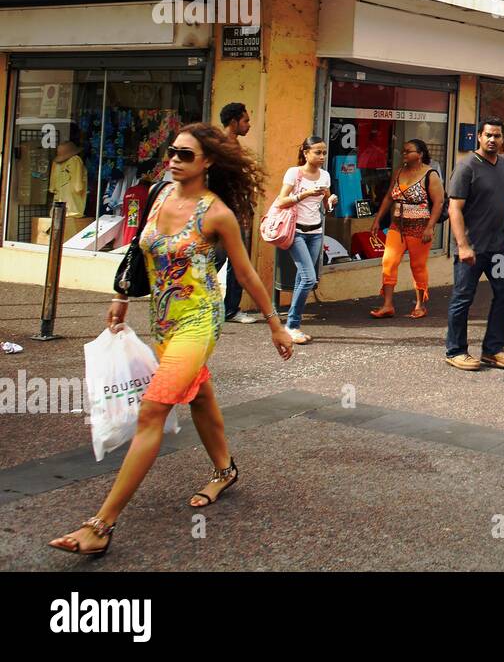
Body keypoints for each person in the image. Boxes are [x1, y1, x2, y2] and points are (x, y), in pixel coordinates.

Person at [49, 124, 293, 557]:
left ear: (208, 162)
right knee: (198, 396)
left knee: (152, 413)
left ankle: (100, 525)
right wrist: (120, 295)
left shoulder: (215, 212)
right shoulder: (161, 194)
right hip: (162, 322)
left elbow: (244, 272)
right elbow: (139, 252)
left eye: (184, 154)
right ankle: (224, 470)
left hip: (199, 320)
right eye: (172, 152)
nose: (174, 159)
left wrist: (275, 324)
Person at [445, 118, 504, 371]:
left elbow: (503, 205)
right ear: (479, 136)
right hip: (473, 249)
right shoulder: (466, 166)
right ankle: (456, 350)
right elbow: (454, 208)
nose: (492, 140)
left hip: (498, 248)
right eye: (488, 135)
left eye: (497, 136)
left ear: (502, 139)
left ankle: (493, 349)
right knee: (463, 297)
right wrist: (463, 245)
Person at [272, 136, 337, 344]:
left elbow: (326, 205)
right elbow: (281, 201)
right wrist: (304, 194)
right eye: (317, 152)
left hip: (315, 232)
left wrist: (331, 201)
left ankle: (292, 325)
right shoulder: (294, 173)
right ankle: (292, 325)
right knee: (309, 279)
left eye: (324, 152)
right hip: (296, 232)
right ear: (306, 153)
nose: (322, 156)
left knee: (303, 277)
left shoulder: (325, 176)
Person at [369, 139, 443, 319]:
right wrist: (377, 220)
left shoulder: (430, 175)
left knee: (417, 265)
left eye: (408, 151)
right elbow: (388, 197)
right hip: (397, 225)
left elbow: (439, 202)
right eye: (403, 151)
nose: (404, 154)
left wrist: (430, 227)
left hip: (420, 226)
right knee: (389, 262)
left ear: (420, 154)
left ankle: (420, 305)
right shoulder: (399, 171)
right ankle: (387, 305)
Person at [214, 102, 259, 324]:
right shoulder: (221, 146)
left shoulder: (234, 144)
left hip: (236, 210)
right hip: (224, 212)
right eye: (246, 120)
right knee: (218, 259)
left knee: (237, 262)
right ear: (234, 122)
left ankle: (230, 308)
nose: (249, 125)